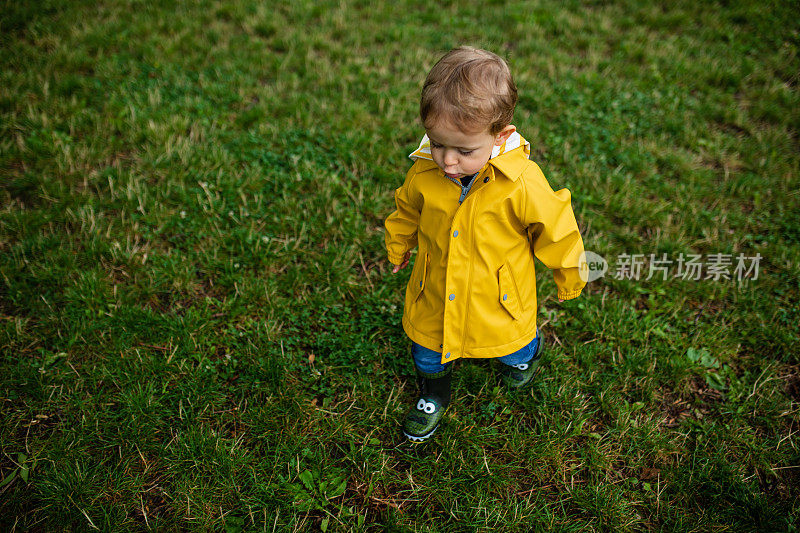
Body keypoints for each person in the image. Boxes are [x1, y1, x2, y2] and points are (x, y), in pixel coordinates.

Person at [384, 46, 586, 442]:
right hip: (436, 289)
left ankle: (525, 357)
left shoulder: (521, 182)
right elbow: (406, 210)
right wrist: (398, 244)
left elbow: (556, 227)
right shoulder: (423, 173)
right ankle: (433, 396)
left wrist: (570, 274)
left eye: (464, 150)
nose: (447, 160)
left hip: (498, 296)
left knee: (510, 343)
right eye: (437, 143)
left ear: (501, 136)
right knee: (427, 350)